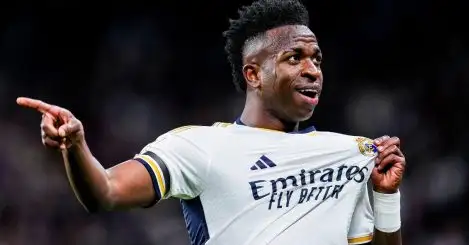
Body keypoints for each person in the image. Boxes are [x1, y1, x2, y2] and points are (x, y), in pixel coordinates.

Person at [16, 0, 405, 244]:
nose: (312, 70)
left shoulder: (349, 155)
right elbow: (105, 193)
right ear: (253, 75)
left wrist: (387, 197)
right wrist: (75, 146)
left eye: (317, 59)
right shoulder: (198, 146)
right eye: (295, 57)